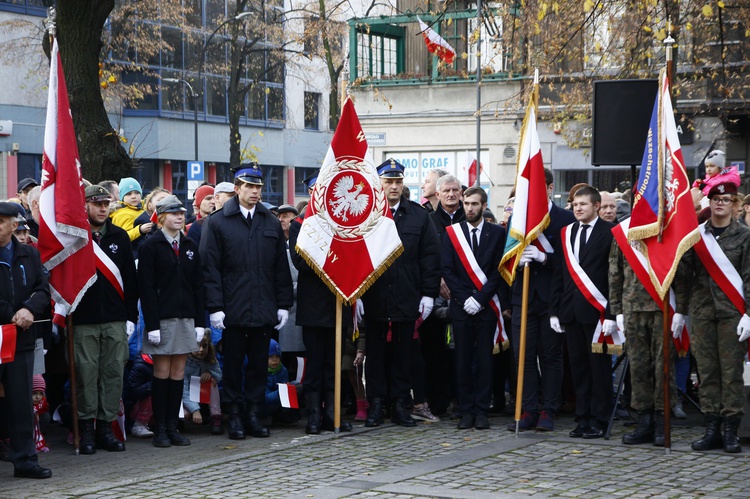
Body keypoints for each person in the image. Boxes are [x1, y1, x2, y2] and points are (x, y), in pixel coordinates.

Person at [200, 163, 293, 440]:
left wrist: (283, 304)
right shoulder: (218, 222)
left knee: (258, 364)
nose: (254, 192)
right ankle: (234, 416)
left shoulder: (269, 221)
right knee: (232, 366)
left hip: (263, 307)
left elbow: (279, 267)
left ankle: (253, 414)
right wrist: (215, 307)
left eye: (258, 187)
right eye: (249, 187)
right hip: (233, 309)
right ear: (237, 188)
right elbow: (210, 268)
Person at [361, 159, 440, 427]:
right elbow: (356, 256)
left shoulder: (418, 215)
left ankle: (400, 404)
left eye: (398, 182)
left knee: (403, 354)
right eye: (388, 182)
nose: (394, 187)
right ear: (379, 184)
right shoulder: (366, 214)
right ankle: (376, 404)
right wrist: (356, 293)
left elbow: (430, 257)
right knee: (375, 355)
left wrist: (428, 293)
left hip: (407, 294)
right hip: (374, 295)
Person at [675, 181, 750, 453]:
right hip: (702, 313)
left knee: (730, 373)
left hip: (733, 314)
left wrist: (749, 314)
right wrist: (680, 312)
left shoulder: (744, 236)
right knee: (707, 373)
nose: (720, 203)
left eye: (727, 199)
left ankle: (731, 431)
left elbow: (749, 277)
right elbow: (684, 278)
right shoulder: (696, 236)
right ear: (710, 202)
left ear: (735, 205)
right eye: (716, 198)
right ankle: (711, 429)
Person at [508, 168, 576, 432]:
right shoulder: (519, 219)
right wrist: (516, 259)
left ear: (549, 188)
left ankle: (548, 409)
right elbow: (503, 260)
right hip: (522, 297)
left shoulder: (565, 218)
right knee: (522, 357)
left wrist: (544, 258)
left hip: (552, 299)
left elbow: (570, 261)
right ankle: (528, 408)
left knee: (550, 357)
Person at [73, 185, 138, 455]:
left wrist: (131, 315)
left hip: (114, 318)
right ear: (85, 205)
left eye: (105, 204)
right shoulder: (75, 237)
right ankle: (86, 429)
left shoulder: (120, 237)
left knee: (112, 374)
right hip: (83, 319)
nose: (102, 208)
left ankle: (105, 428)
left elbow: (130, 280)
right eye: (96, 204)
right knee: (86, 375)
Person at [138, 195, 205, 448]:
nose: (180, 217)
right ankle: (160, 428)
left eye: (182, 213)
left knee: (178, 373)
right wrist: (152, 324)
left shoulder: (188, 245)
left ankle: (172, 426)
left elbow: (198, 285)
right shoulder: (151, 246)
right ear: (161, 217)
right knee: (162, 373)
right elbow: (146, 288)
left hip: (185, 317)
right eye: (174, 213)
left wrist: (199, 321)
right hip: (162, 320)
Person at [550, 186, 616, 439]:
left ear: (597, 206)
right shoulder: (566, 233)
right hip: (571, 312)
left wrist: (611, 314)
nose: (577, 208)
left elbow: (615, 277)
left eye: (583, 204)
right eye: (575, 204)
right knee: (578, 368)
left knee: (598, 369)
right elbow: (559, 274)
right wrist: (554, 311)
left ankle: (600, 418)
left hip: (598, 314)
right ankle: (583, 417)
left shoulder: (611, 233)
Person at [441, 186, 507, 430]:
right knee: (463, 359)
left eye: (474, 204)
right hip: (461, 307)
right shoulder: (451, 233)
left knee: (484, 361)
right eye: (466, 203)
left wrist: (479, 299)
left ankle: (482, 410)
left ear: (484, 205)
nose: (469, 208)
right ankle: (466, 409)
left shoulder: (497, 233)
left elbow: (498, 271)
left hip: (487, 305)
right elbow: (446, 269)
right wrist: (463, 298)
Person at [289, 201, 353, 434]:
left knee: (334, 363)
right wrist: (331, 255)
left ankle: (332, 413)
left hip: (338, 301)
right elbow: (300, 262)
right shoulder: (300, 224)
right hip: (314, 305)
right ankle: (314, 414)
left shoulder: (345, 225)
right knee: (315, 363)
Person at [0, 201, 51, 478]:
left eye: (0, 221)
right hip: (2, 332)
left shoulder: (30, 255)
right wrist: (13, 314)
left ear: (14, 225)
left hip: (21, 339)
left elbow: (43, 289)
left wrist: (30, 309)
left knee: (21, 402)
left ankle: (26, 462)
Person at [183, 333, 223, 435]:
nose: (201, 350)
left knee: (212, 382)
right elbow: (184, 390)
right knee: (185, 415)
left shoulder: (210, 359)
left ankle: (216, 416)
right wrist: (195, 410)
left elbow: (219, 374)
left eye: (204, 346)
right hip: (185, 396)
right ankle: (180, 422)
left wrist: (210, 373)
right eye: (197, 346)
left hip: (200, 392)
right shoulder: (184, 362)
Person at [262, 339, 301, 425]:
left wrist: (288, 388)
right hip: (264, 404)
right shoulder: (261, 372)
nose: (275, 360)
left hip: (278, 401)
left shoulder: (283, 370)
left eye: (277, 357)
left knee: (296, 386)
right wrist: (280, 392)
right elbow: (265, 397)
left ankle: (283, 414)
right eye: (271, 357)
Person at [111, 177, 152, 244]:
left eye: (136, 193)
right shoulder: (122, 214)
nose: (133, 196)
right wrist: (139, 230)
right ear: (122, 197)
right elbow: (121, 237)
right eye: (129, 194)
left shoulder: (145, 207)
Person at [124, 353, 155, 438]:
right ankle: (138, 425)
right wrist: (154, 384)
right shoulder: (140, 365)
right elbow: (133, 391)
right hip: (138, 403)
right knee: (153, 395)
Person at [32, 375, 50, 453]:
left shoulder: (42, 401)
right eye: (34, 393)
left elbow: (44, 410)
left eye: (40, 393)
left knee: (46, 416)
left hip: (37, 424)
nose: (38, 397)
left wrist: (38, 414)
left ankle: (39, 442)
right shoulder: (24, 403)